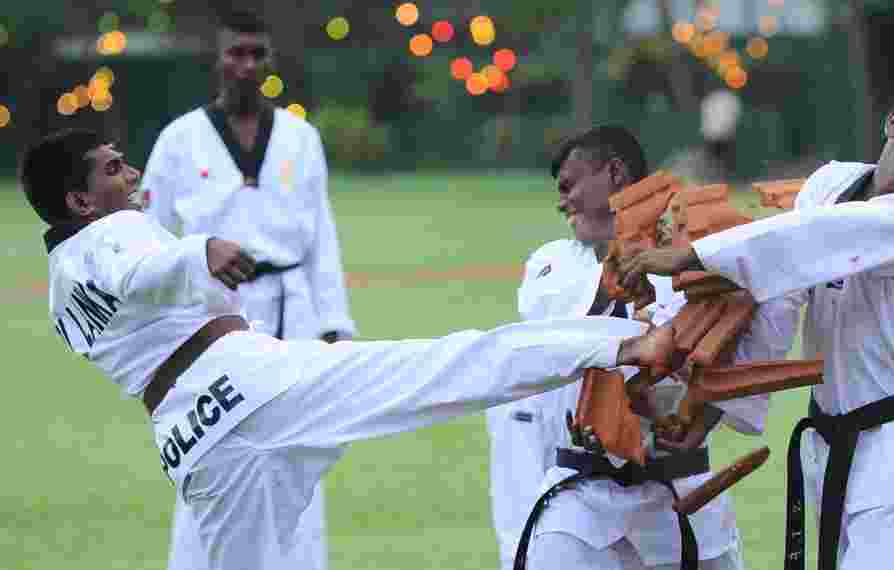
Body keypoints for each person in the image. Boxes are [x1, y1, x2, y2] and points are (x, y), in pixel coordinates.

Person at [22, 127, 686, 570]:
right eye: (113, 169)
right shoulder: (116, 235)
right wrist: (200, 248)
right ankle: (628, 343)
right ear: (80, 199)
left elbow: (126, 298)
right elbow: (142, 269)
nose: (131, 173)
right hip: (246, 384)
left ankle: (622, 345)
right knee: (451, 365)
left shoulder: (61, 289)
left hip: (191, 436)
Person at [620, 79, 894, 570]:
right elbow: (779, 298)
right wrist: (710, 410)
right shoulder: (829, 184)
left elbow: (823, 235)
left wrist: (693, 254)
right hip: (828, 441)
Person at [486, 125, 796, 570]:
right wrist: (624, 289)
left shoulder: (699, 259)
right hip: (583, 493)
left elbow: (764, 318)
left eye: (569, 185)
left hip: (681, 492)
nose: (562, 202)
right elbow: (563, 323)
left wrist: (704, 416)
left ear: (614, 173)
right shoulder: (551, 262)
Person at [141, 11, 355, 569]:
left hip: (293, 308)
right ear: (217, 59)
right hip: (213, 318)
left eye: (255, 54)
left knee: (298, 450)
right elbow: (155, 241)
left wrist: (335, 324)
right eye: (235, 53)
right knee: (213, 451)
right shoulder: (179, 140)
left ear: (269, 62)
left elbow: (321, 234)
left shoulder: (300, 138)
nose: (246, 65)